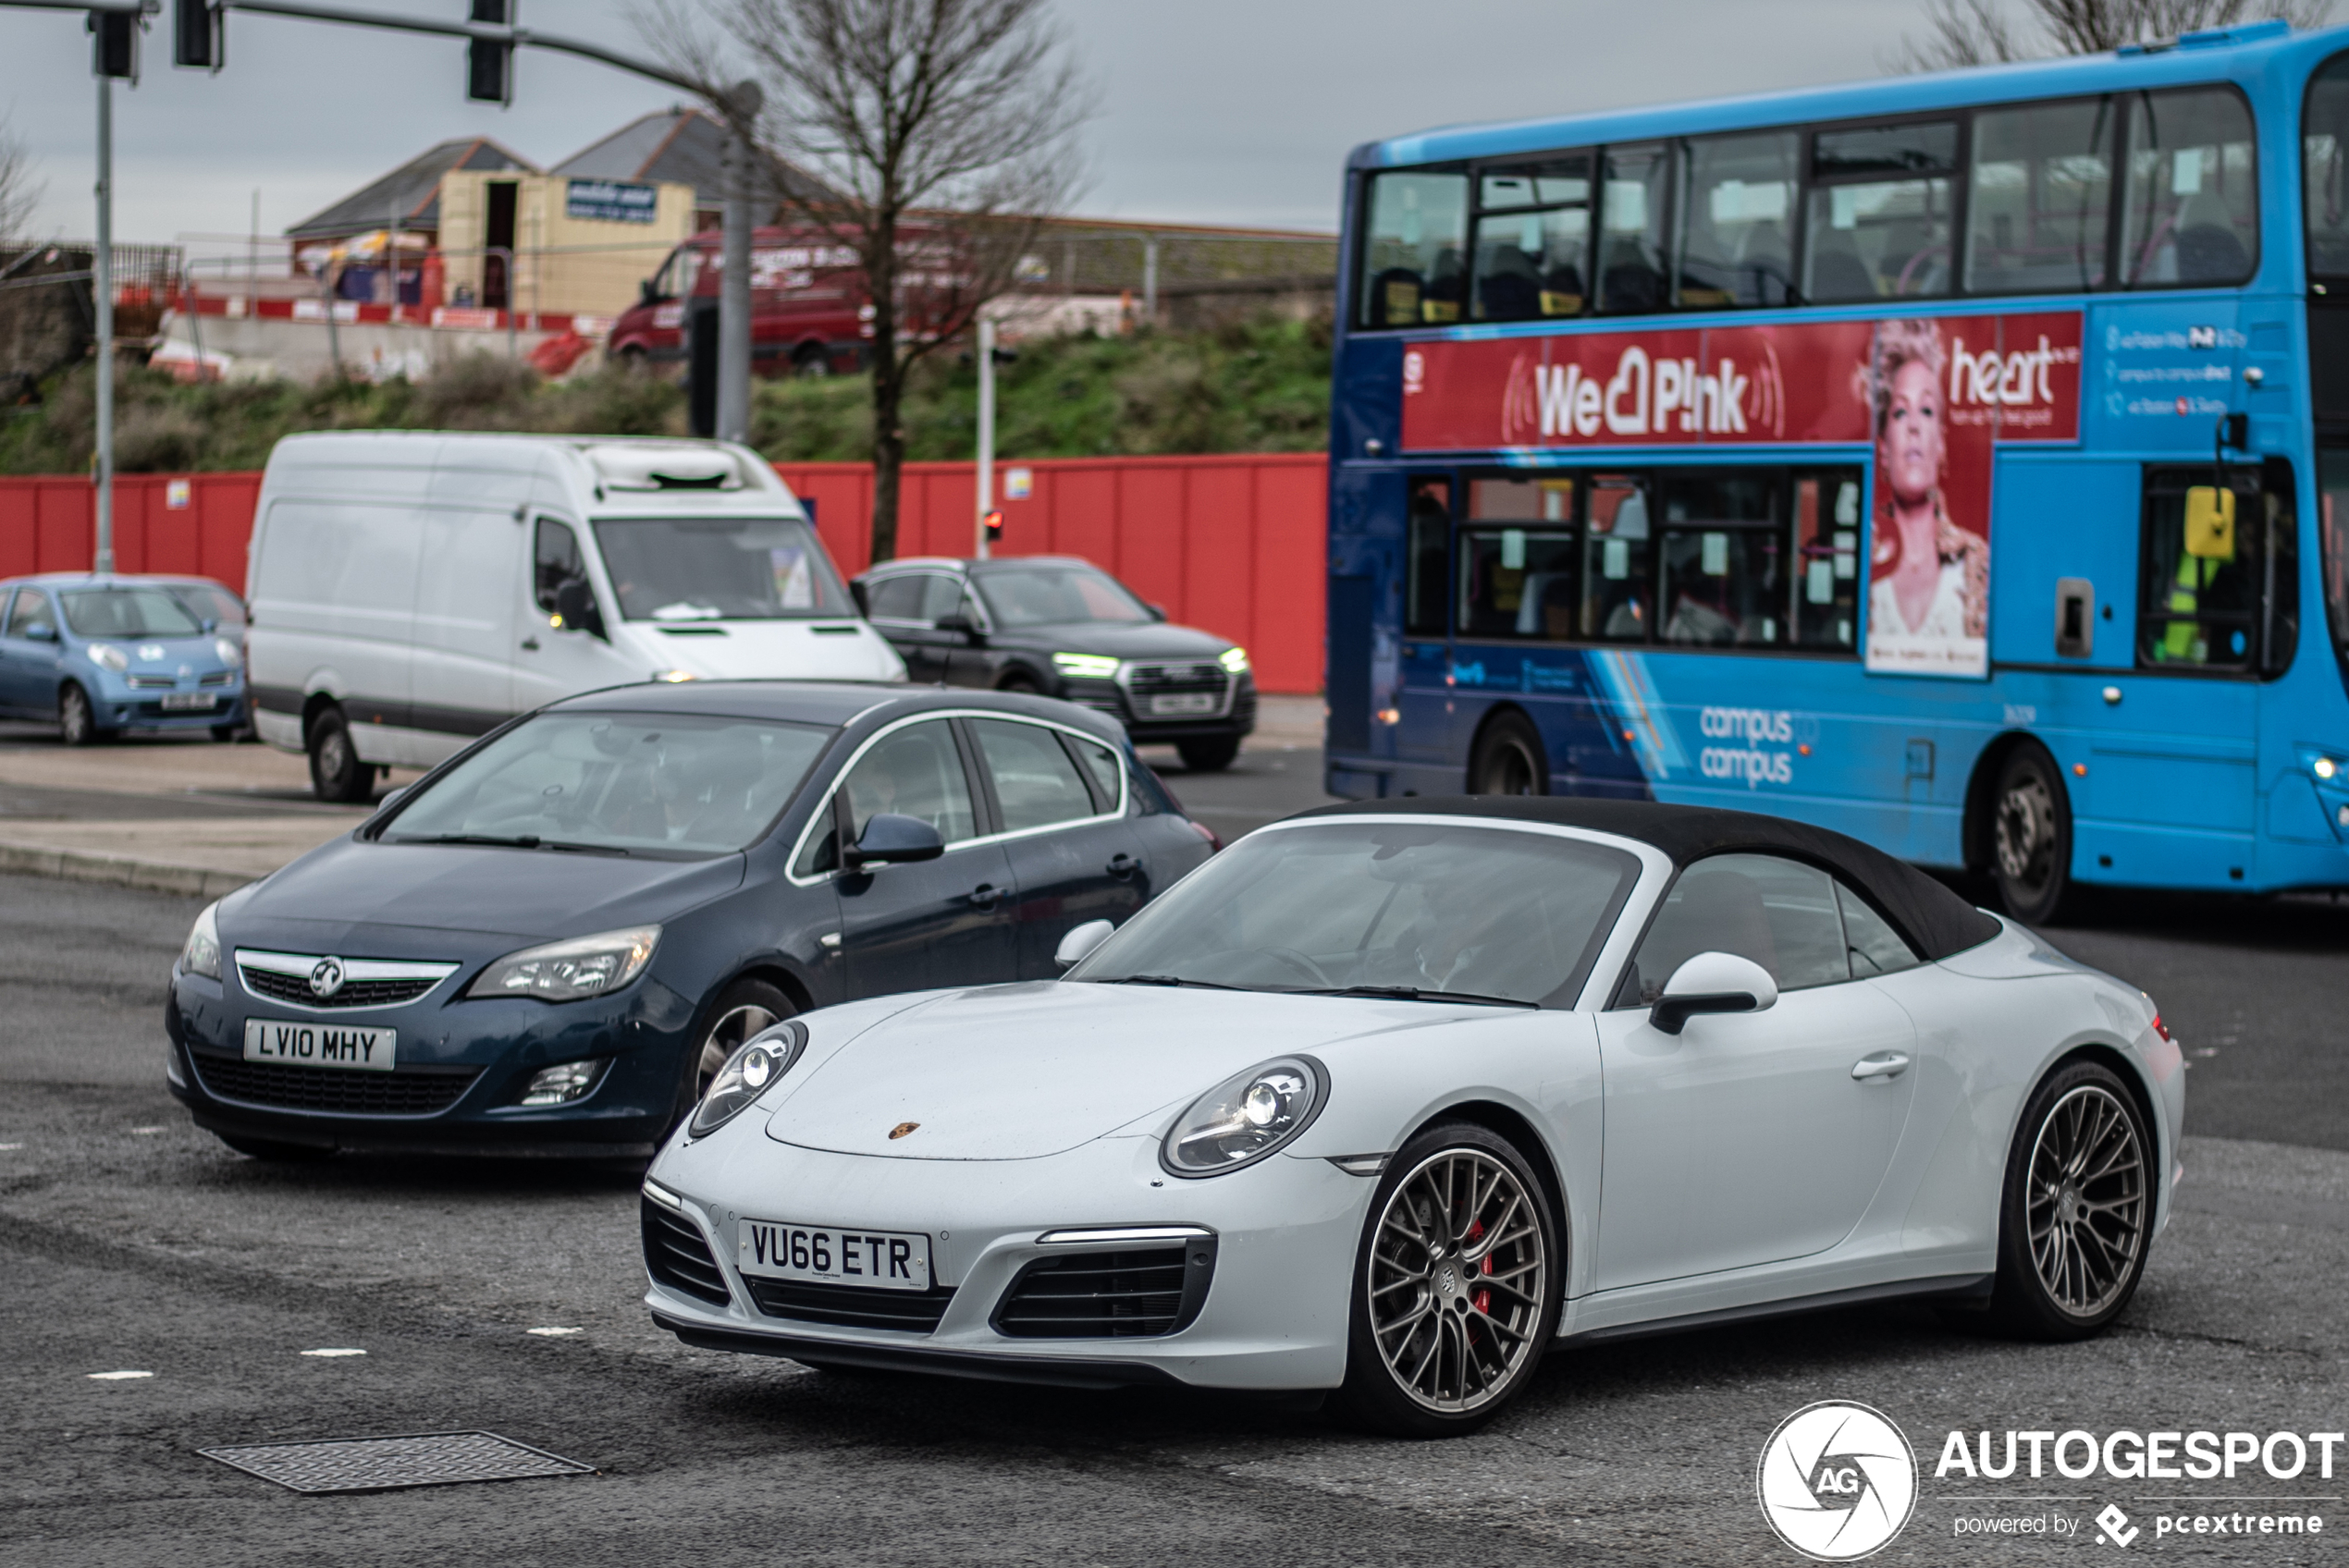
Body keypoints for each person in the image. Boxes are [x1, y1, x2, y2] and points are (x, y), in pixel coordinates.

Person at [1862, 318, 1986, 670]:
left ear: (1941, 444)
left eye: (1927, 411)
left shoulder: (1977, 561)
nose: (1914, 425)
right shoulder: (1864, 560)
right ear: (1884, 449)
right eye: (1901, 412)